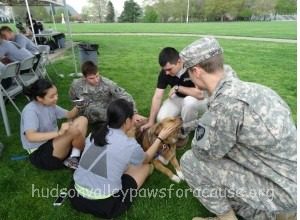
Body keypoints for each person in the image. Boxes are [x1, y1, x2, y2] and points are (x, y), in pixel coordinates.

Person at [179, 37, 296, 220]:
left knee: (190, 161)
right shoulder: (255, 90)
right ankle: (276, 215)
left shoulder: (227, 105)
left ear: (196, 71)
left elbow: (205, 153)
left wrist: (188, 135)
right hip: (289, 181)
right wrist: (188, 126)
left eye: (189, 74)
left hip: (281, 192)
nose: (190, 78)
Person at [69, 98, 175, 219]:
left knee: (116, 162)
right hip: (105, 205)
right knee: (145, 167)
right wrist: (160, 139)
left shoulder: (95, 133)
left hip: (75, 195)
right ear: (127, 121)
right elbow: (147, 158)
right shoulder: (129, 144)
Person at [21, 79, 88, 170]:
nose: (56, 98)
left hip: (54, 142)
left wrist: (79, 105)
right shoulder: (30, 111)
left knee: (82, 119)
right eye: (52, 96)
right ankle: (83, 152)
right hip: (41, 154)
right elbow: (31, 136)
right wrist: (59, 133)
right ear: (39, 98)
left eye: (56, 94)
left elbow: (69, 114)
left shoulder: (50, 104)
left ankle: (74, 157)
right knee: (73, 130)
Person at [140, 47, 207, 140]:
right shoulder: (165, 72)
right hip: (179, 97)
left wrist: (178, 88)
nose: (166, 73)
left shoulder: (192, 67)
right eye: (165, 70)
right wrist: (151, 121)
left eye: (169, 69)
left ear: (179, 61)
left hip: (199, 100)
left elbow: (200, 94)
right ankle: (181, 119)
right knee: (161, 119)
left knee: (189, 103)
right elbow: (157, 96)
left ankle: (185, 132)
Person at [69, 61, 145, 125]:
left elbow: (124, 95)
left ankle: (131, 119)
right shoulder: (76, 85)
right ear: (84, 77)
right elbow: (74, 100)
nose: (96, 80)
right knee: (91, 109)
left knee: (121, 109)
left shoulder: (107, 83)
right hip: (87, 114)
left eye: (97, 76)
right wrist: (72, 116)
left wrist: (134, 113)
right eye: (91, 78)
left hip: (106, 112)